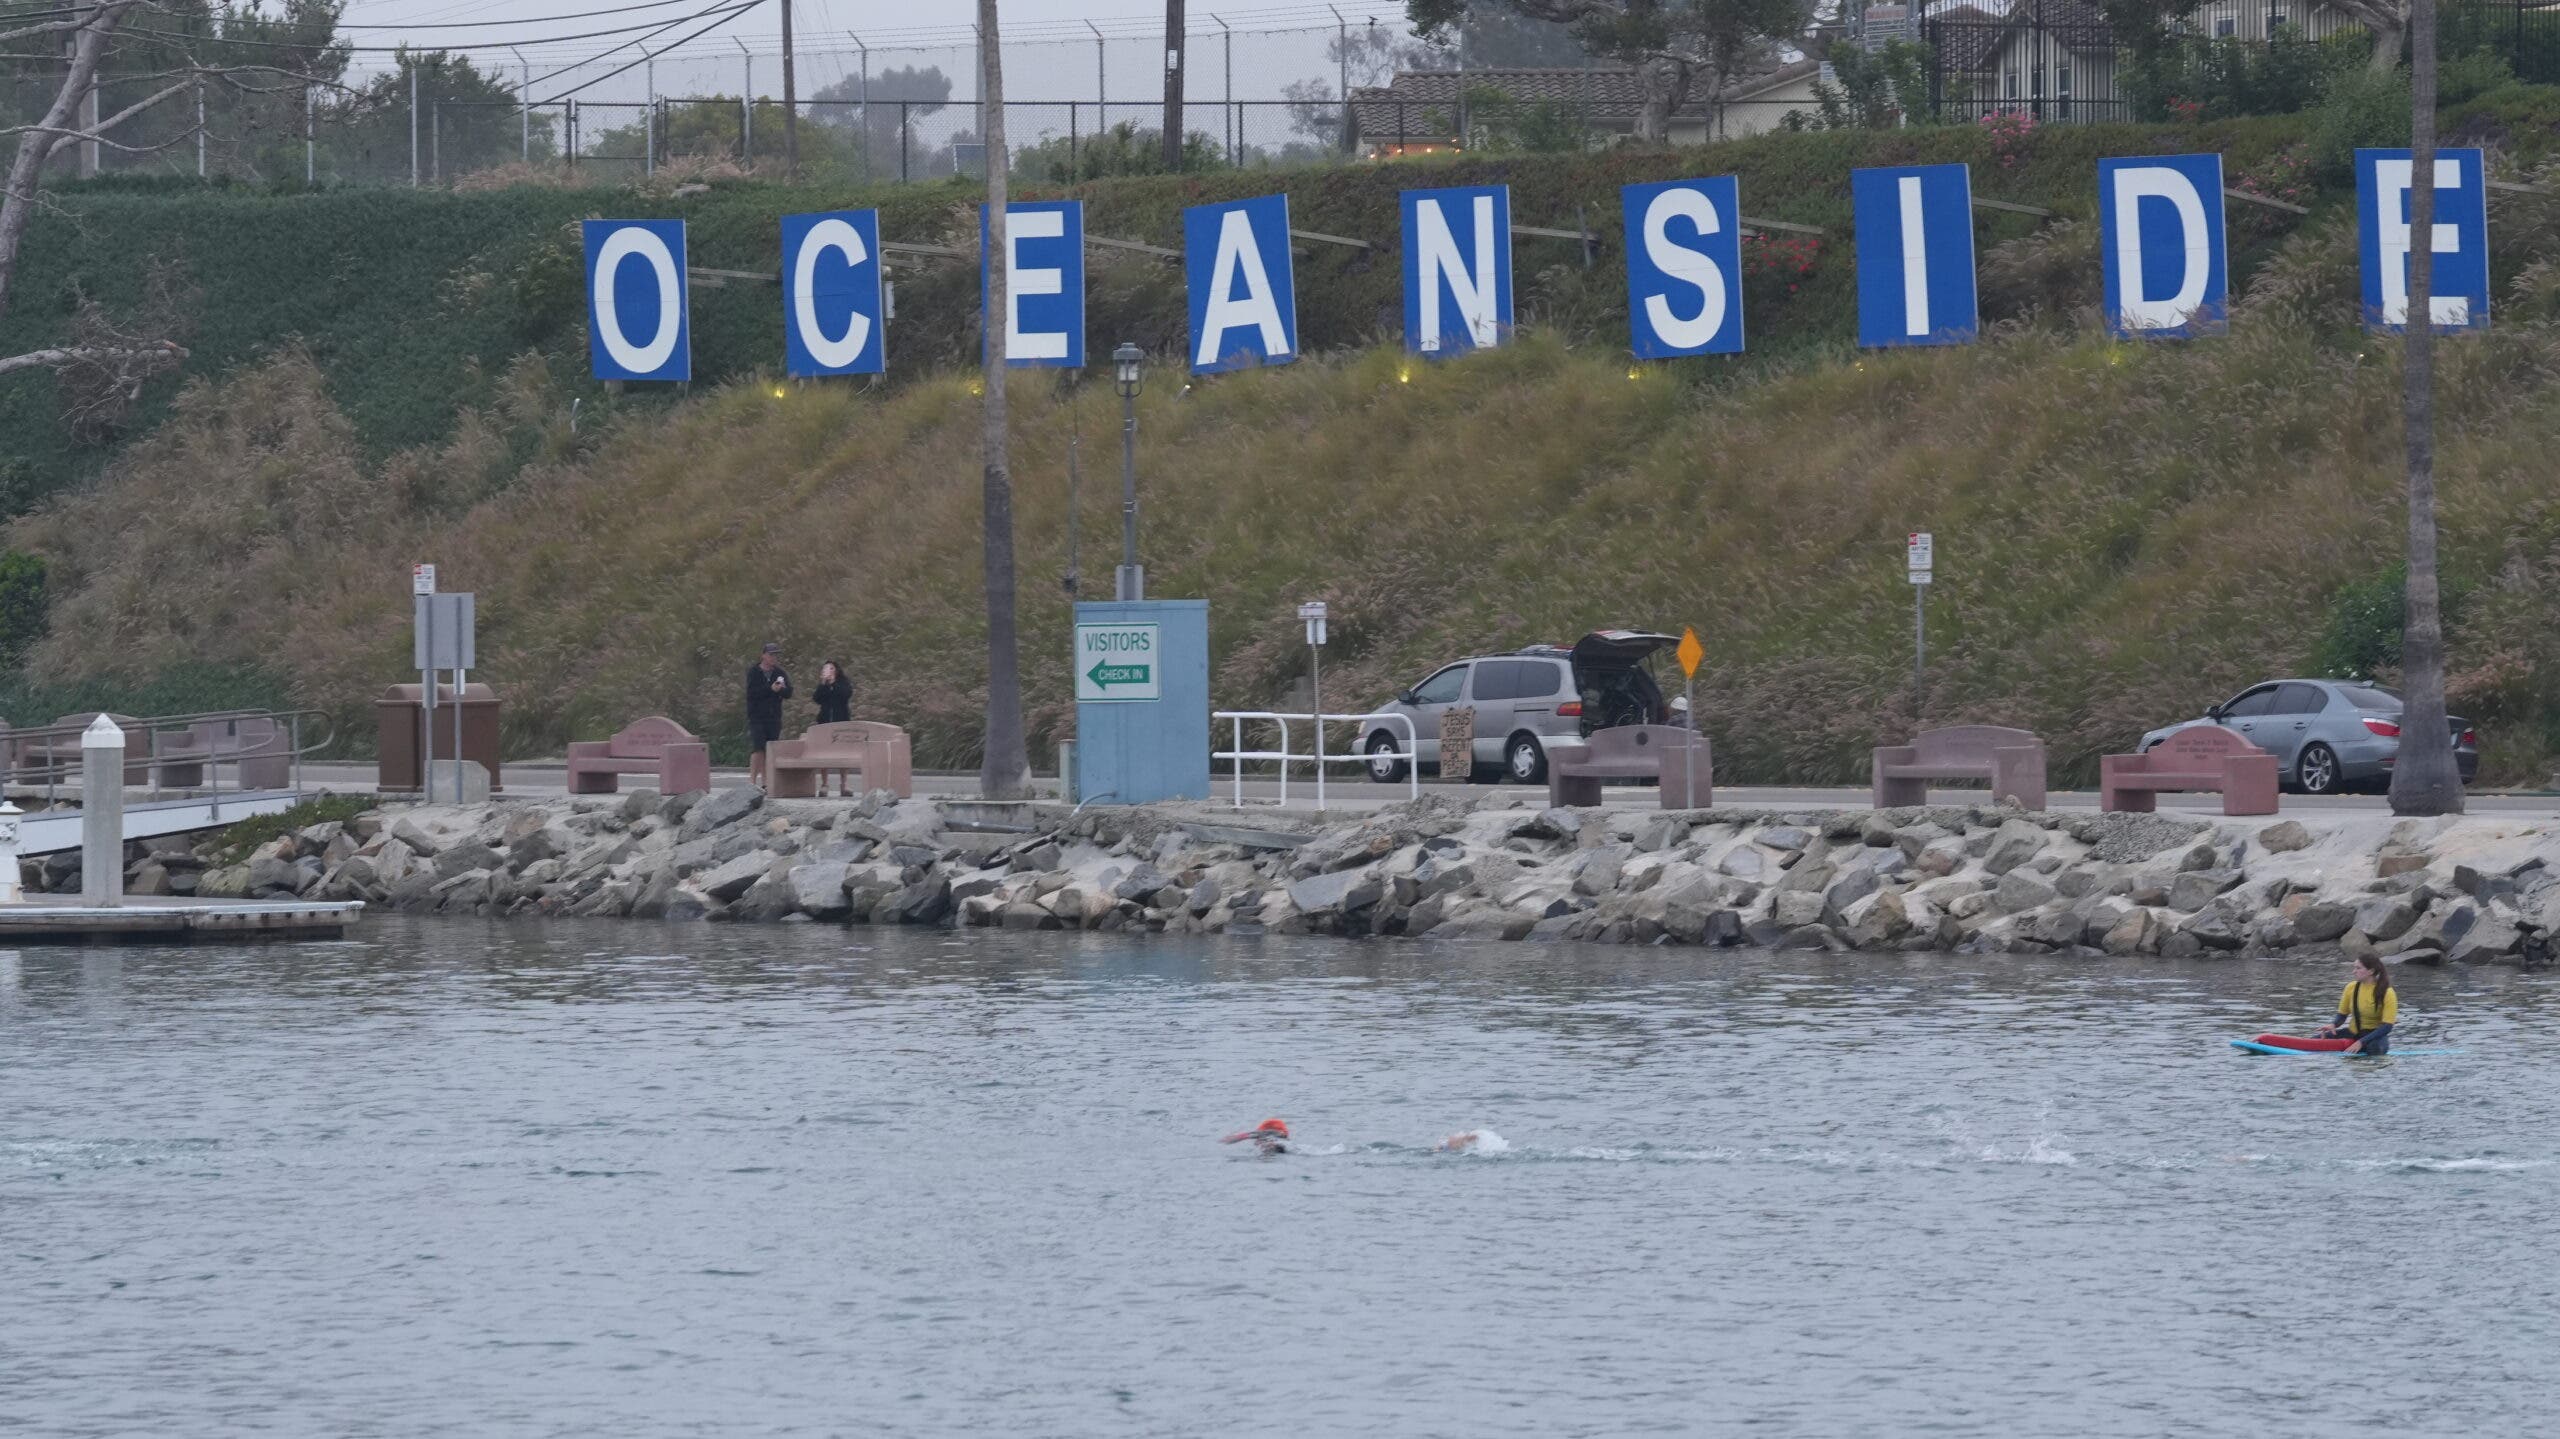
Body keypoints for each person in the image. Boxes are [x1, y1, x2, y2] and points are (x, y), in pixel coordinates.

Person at [2316, 955, 2398, 1055]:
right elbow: (2342, 1015)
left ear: (2371, 971)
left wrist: (2361, 1042)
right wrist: (2333, 1024)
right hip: (2353, 1033)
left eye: (2358, 968)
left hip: (2374, 1037)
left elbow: (2387, 1027)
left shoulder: (2388, 993)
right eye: (2354, 967)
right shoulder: (2351, 987)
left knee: (2374, 1049)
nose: (2353, 971)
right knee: (2315, 1040)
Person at [745, 642, 791, 789]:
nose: (774, 658)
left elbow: (789, 693)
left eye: (776, 655)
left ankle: (766, 781)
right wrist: (770, 689)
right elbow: (752, 693)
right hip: (757, 716)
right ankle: (752, 781)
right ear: (763, 655)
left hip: (774, 716)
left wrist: (781, 690)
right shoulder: (754, 672)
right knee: (758, 747)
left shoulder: (780, 673)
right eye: (771, 654)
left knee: (770, 748)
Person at [812, 660, 853, 726]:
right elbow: (816, 699)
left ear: (836, 670)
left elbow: (846, 694)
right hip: (824, 721)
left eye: (831, 668)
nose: (829, 671)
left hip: (841, 720)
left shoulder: (843, 681)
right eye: (825, 668)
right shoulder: (824, 685)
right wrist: (823, 683)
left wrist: (833, 682)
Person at [1220, 1118, 1289, 1155]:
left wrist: (1233, 1139)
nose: (1261, 1146)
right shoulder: (1285, 1143)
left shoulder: (1267, 1133)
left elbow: (1249, 1135)